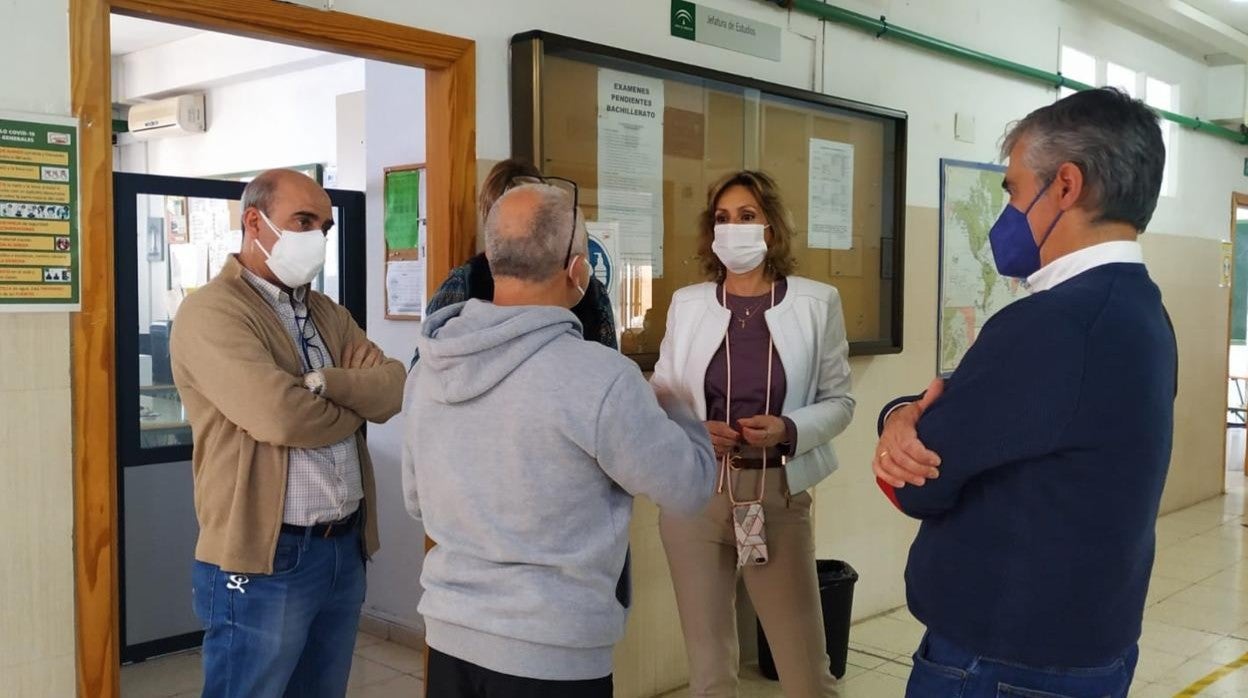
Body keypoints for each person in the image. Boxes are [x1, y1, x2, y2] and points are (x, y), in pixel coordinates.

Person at [873, 88, 1177, 698]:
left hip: (1002, 661)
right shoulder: (1140, 307)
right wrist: (907, 410)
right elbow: (1021, 416)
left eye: (1012, 189)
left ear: (1065, 186)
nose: (1007, 211)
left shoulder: (1050, 323)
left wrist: (899, 423)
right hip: (1089, 639)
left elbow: (918, 484)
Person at [402, 180, 717, 697]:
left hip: (449, 638)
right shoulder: (603, 378)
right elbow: (688, 487)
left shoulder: (430, 367)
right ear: (578, 272)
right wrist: (675, 402)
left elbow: (417, 503)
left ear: (492, 259)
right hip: (553, 655)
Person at [170, 169, 406, 698]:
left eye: (324, 226)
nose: (317, 238)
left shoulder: (324, 311)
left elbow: (392, 390)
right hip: (265, 555)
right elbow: (280, 416)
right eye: (303, 221)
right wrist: (353, 402)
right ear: (254, 223)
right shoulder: (213, 311)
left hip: (343, 546)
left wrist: (327, 385)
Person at [651, 170, 856, 697]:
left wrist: (789, 427)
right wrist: (695, 429)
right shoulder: (689, 303)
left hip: (777, 495)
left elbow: (840, 401)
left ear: (771, 228)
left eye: (747, 217)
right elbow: (663, 394)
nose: (733, 229)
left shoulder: (816, 302)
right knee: (710, 669)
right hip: (696, 495)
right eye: (722, 218)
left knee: (807, 671)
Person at [411, 158, 616, 367]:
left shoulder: (587, 288)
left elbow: (610, 365)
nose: (525, 226)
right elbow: (426, 367)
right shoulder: (464, 283)